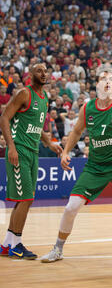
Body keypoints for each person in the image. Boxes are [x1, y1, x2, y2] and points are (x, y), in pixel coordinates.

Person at [40, 69, 112, 266]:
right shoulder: (88, 108)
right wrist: (66, 152)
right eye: (104, 79)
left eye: (111, 79)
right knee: (71, 207)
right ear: (97, 86)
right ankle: (58, 249)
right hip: (96, 166)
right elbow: (77, 131)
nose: (108, 82)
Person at [0, 63, 62, 259]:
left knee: (24, 199)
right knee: (25, 198)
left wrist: (50, 143)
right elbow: (4, 118)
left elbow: (37, 128)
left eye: (45, 71)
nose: (43, 73)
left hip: (33, 152)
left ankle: (7, 244)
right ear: (31, 74)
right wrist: (10, 147)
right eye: (39, 70)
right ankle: (17, 244)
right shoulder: (24, 94)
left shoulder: (44, 99)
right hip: (19, 150)